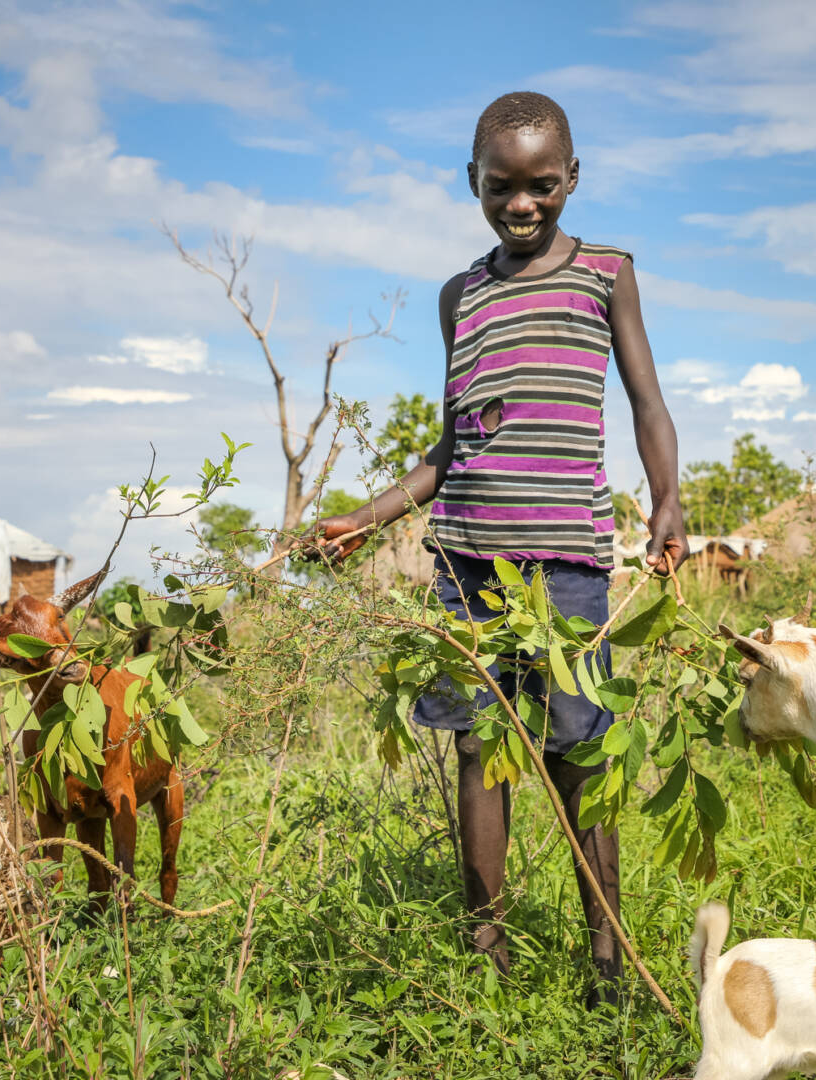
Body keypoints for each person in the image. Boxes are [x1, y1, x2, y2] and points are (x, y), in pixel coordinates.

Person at [313, 90, 686, 1003]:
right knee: (481, 748)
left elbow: (645, 400)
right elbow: (451, 447)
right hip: (466, 561)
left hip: (563, 565)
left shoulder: (606, 273)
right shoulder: (461, 297)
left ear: (571, 179)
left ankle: (608, 956)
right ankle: (484, 945)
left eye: (542, 187)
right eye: (500, 188)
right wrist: (364, 519)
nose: (522, 206)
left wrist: (668, 500)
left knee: (578, 753)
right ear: (471, 182)